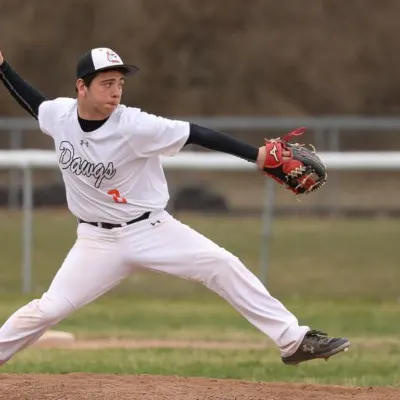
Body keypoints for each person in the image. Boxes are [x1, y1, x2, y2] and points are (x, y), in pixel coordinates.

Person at [0, 47, 349, 366]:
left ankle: (293, 340)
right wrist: (3, 67)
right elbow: (32, 101)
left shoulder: (135, 125)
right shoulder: (60, 116)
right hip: (96, 241)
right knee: (48, 309)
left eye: (119, 83)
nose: (116, 91)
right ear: (82, 87)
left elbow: (196, 133)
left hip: (151, 230)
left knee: (221, 264)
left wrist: (256, 156)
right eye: (106, 83)